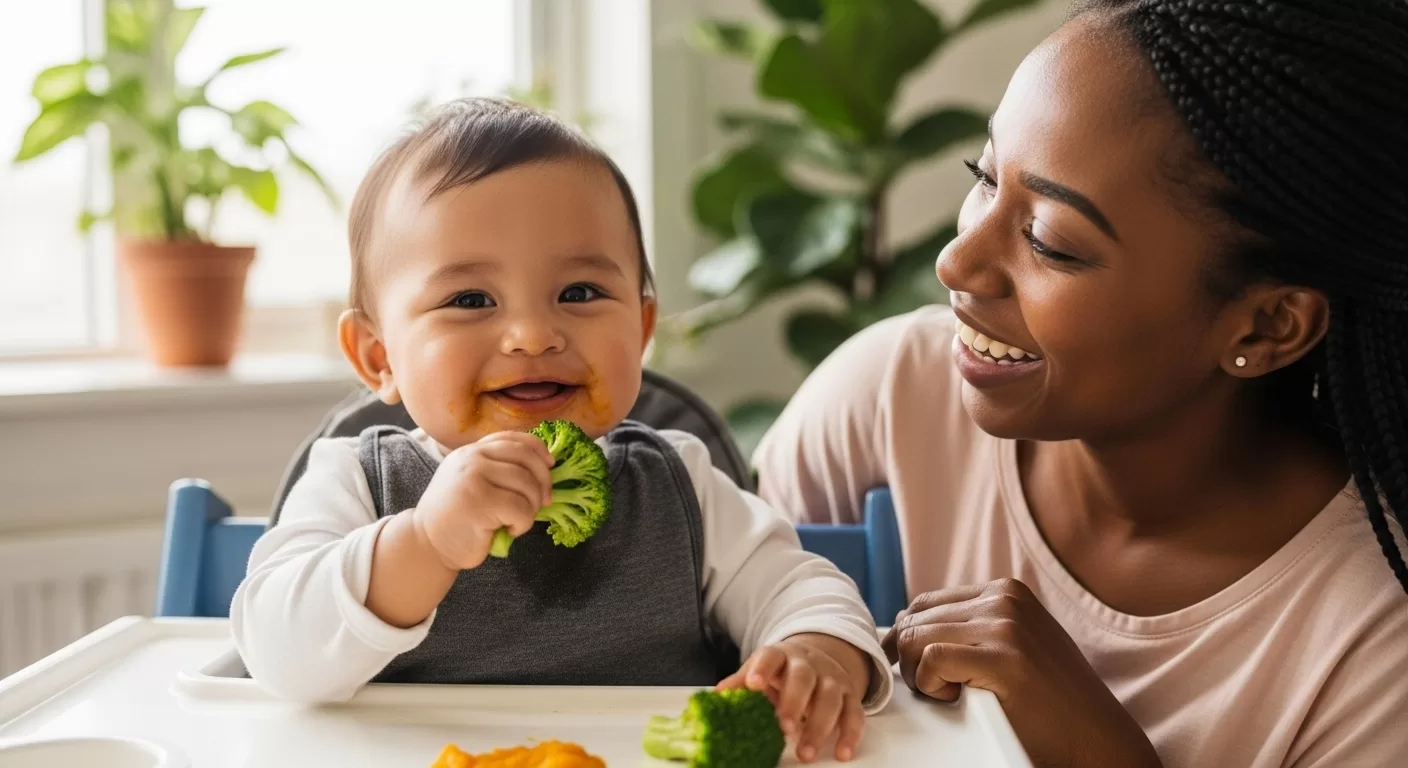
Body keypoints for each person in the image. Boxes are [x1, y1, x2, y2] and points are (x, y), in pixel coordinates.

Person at [752, 1, 1408, 766]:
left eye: (1050, 242)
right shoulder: (889, 399)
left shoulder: (1373, 648)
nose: (955, 264)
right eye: (984, 177)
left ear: (1266, 329)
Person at [231, 98, 891, 764]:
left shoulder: (679, 483)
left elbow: (801, 587)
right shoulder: (356, 483)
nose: (533, 335)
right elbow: (279, 652)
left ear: (641, 327)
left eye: (579, 292)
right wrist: (424, 542)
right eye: (470, 300)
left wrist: (817, 651)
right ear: (378, 356)